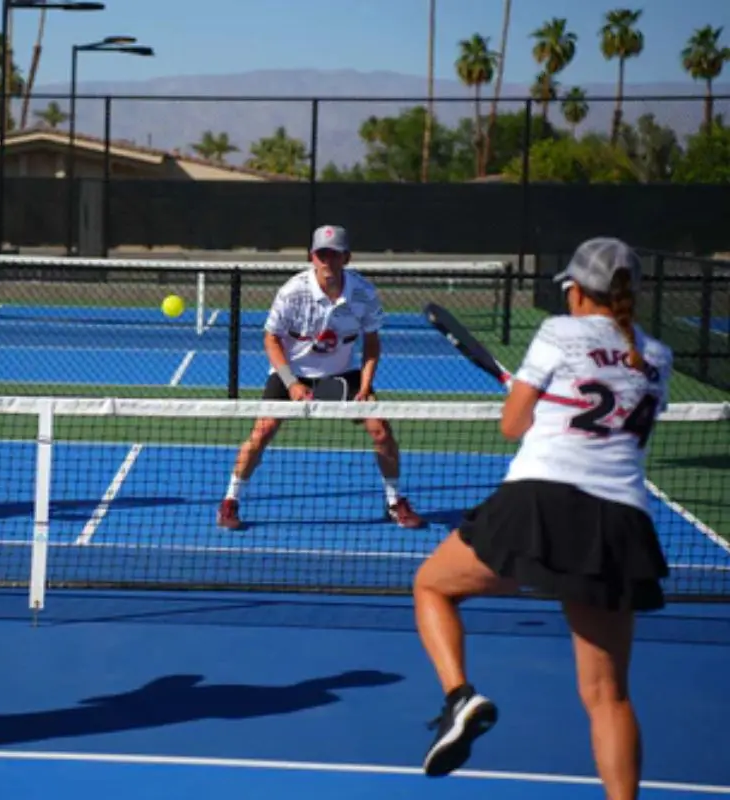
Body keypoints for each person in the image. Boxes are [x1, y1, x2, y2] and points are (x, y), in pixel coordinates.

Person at [414, 238, 673, 799]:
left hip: (541, 501)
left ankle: (460, 697)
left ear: (577, 292)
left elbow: (513, 425)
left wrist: (533, 404)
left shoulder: (559, 332)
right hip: (619, 522)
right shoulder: (657, 355)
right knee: (610, 696)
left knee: (431, 586)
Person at [218, 225, 426, 531]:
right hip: (292, 375)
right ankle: (229, 502)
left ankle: (395, 501)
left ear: (347, 258)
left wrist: (366, 383)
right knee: (262, 432)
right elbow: (270, 339)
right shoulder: (292, 292)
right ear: (312, 257)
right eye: (322, 254)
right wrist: (291, 383)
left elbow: (371, 343)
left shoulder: (364, 294)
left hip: (341, 377)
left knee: (381, 431)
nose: (327, 260)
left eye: (334, 254)